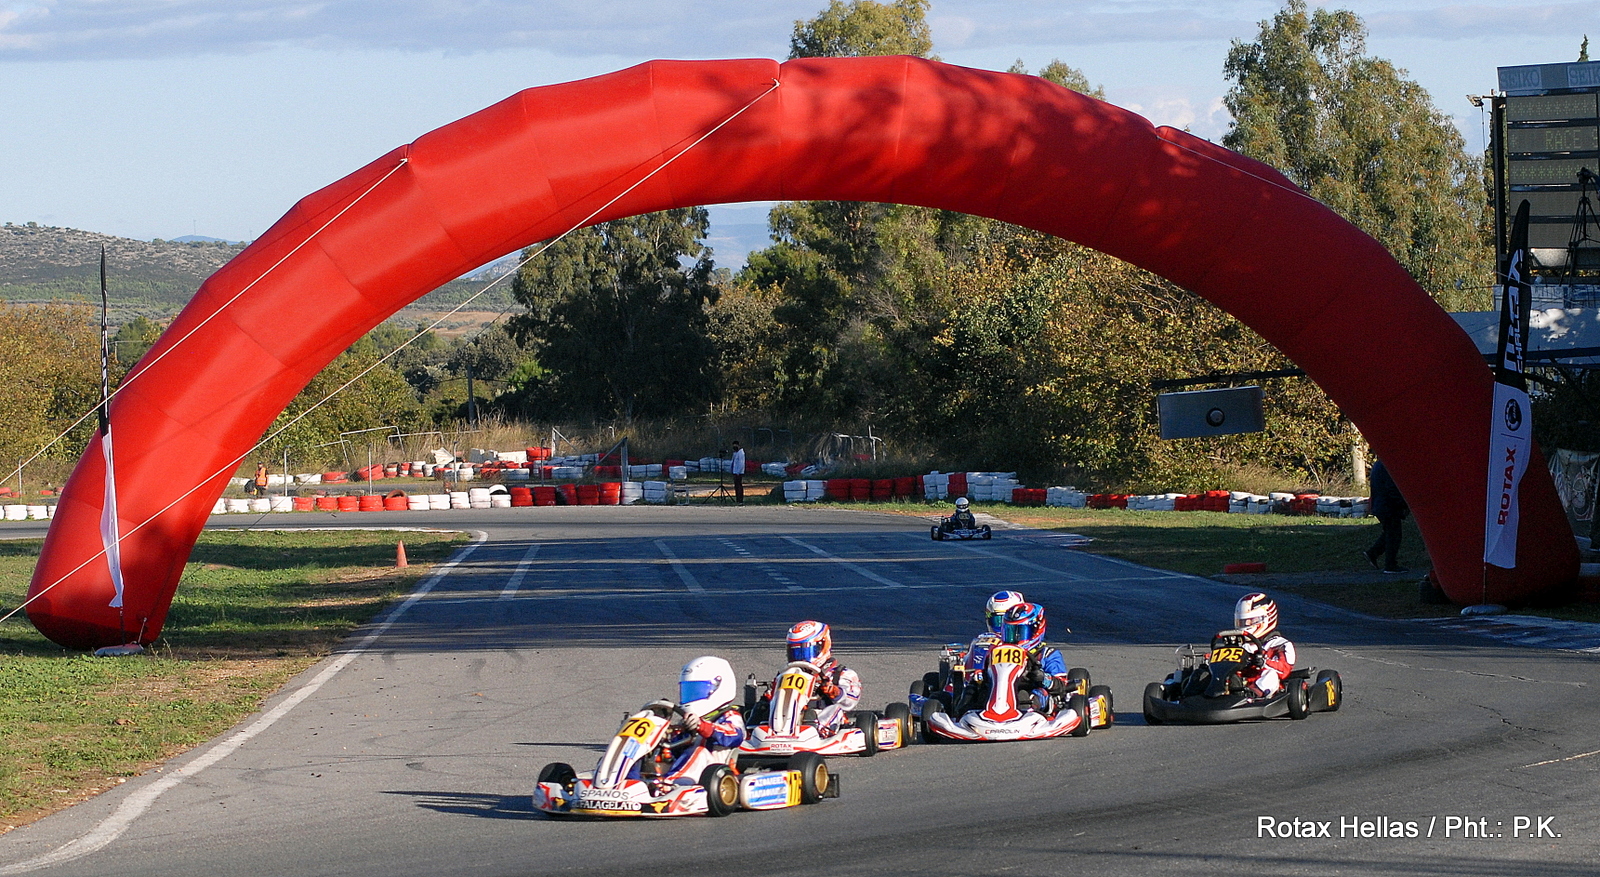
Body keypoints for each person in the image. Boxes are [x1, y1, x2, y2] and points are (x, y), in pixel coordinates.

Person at [631, 656, 746, 789]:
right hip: (682, 765)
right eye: (689, 690)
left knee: (699, 751)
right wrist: (663, 735)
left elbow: (734, 736)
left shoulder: (730, 715)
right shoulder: (687, 720)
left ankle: (668, 785)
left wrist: (702, 726)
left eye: (697, 690)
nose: (691, 695)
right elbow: (677, 746)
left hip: (712, 771)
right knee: (643, 749)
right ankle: (628, 782)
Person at [784, 620, 861, 736]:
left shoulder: (840, 674)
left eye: (804, 652)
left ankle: (817, 732)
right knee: (763, 707)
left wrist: (835, 691)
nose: (799, 658)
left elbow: (851, 700)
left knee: (835, 708)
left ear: (822, 646)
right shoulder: (788, 674)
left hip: (820, 717)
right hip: (788, 716)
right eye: (795, 653)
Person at [997, 602, 1075, 715]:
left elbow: (1062, 686)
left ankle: (1026, 714)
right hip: (1001, 691)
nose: (1014, 638)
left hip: (1033, 694)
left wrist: (1043, 677)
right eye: (1010, 632)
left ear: (1036, 630)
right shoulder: (999, 653)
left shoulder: (1047, 654)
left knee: (1024, 695)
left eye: (1020, 632)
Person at [1232, 593, 1297, 698]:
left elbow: (1283, 670)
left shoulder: (1280, 644)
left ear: (1266, 619)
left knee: (1271, 674)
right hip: (1240, 682)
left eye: (1250, 621)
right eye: (1242, 621)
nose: (1246, 624)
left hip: (1265, 687)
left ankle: (1253, 695)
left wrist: (1263, 662)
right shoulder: (1239, 645)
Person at [1363, 458, 1409, 573]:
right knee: (1394, 535)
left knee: (1389, 533)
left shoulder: (1379, 465)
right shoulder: (1388, 466)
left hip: (1380, 504)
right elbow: (1392, 488)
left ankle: (1373, 553)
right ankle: (1390, 564)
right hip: (1388, 505)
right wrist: (1403, 503)